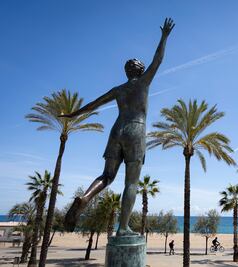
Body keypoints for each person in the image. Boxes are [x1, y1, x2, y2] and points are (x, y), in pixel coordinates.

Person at [62, 18, 175, 236]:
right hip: (135, 130)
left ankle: (85, 198)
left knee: (107, 175)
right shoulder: (143, 82)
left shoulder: (118, 89)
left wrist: (72, 114)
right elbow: (158, 60)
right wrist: (164, 37)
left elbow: (93, 105)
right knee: (131, 182)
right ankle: (123, 227)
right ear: (140, 71)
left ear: (126, 72)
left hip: (117, 130)